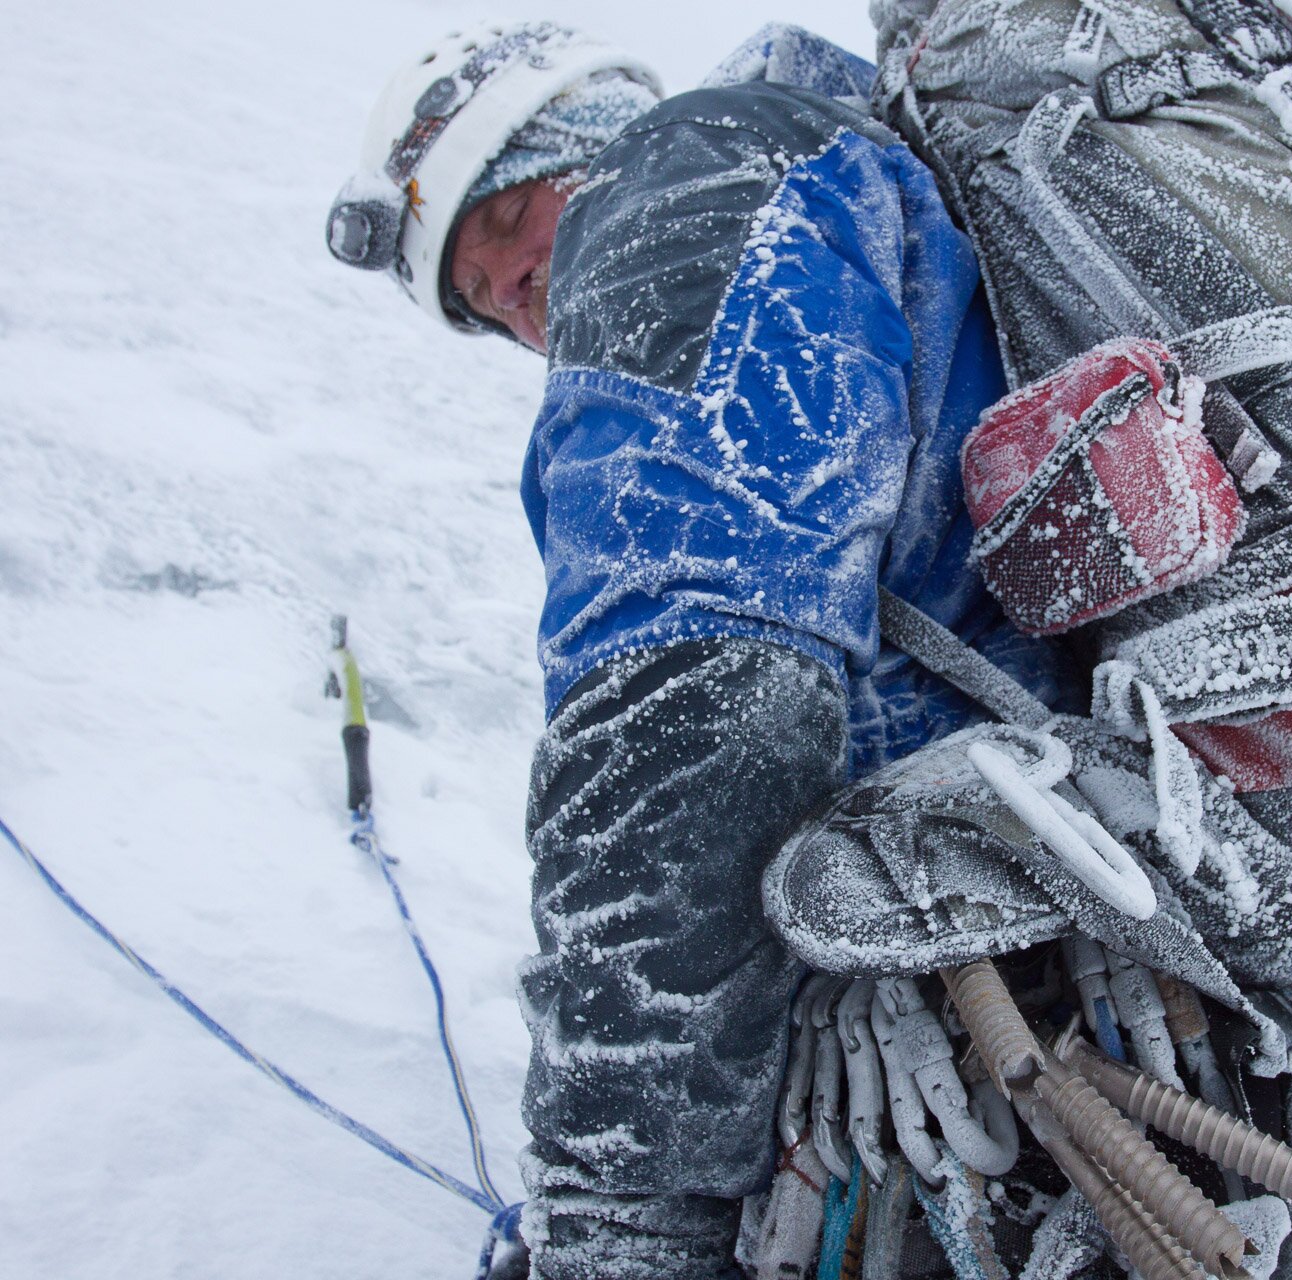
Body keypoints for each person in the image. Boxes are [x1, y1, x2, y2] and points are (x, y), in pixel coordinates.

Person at [327, 20, 1067, 1280]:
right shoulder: (834, 200)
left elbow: (695, 720)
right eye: (474, 294)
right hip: (1035, 983)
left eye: (505, 215)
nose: (505, 292)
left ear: (581, 140)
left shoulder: (690, 179)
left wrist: (621, 1224)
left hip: (993, 989)